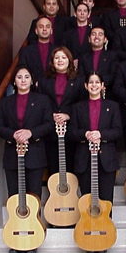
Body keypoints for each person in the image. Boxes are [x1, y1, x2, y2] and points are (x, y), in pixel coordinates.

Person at [0, 66, 54, 200]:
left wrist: (30, 133)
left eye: (27, 77)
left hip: (35, 155)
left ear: (32, 81)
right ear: (14, 81)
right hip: (12, 155)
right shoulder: (5, 102)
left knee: (34, 197)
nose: (23, 80)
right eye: (19, 77)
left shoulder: (42, 100)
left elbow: (49, 124)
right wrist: (14, 135)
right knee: (14, 197)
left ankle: (34, 222)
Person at [69, 72, 122, 204]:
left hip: (106, 159)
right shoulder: (77, 107)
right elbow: (71, 132)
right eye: (91, 82)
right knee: (86, 199)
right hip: (84, 158)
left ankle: (106, 225)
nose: (94, 85)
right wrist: (85, 134)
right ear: (86, 86)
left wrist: (101, 134)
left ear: (102, 85)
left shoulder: (112, 106)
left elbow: (118, 131)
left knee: (106, 200)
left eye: (97, 82)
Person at [38, 46, 87, 175]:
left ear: (69, 60)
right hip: (51, 128)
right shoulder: (44, 80)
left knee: (71, 167)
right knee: (53, 166)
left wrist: (68, 115)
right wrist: (51, 115)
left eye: (63, 57)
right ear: (52, 61)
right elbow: (40, 103)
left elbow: (82, 104)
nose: (60, 60)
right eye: (57, 57)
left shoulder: (79, 80)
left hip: (71, 128)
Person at [78, 26, 119, 100]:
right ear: (89, 39)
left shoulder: (112, 56)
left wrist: (98, 84)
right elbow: (81, 76)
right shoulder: (83, 57)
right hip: (86, 95)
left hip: (107, 94)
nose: (97, 37)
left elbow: (114, 75)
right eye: (93, 34)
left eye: (100, 34)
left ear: (105, 39)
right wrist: (91, 85)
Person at [18, 16, 57, 81]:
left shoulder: (58, 51)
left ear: (51, 31)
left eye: (47, 27)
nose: (44, 29)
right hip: (33, 88)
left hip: (53, 89)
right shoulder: (25, 51)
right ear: (36, 31)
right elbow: (22, 72)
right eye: (41, 27)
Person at [63, 2, 92, 70]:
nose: (82, 13)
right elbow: (64, 50)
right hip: (72, 68)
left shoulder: (93, 33)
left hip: (89, 67)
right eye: (79, 11)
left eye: (85, 11)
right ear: (75, 14)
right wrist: (71, 61)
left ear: (88, 14)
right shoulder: (67, 34)